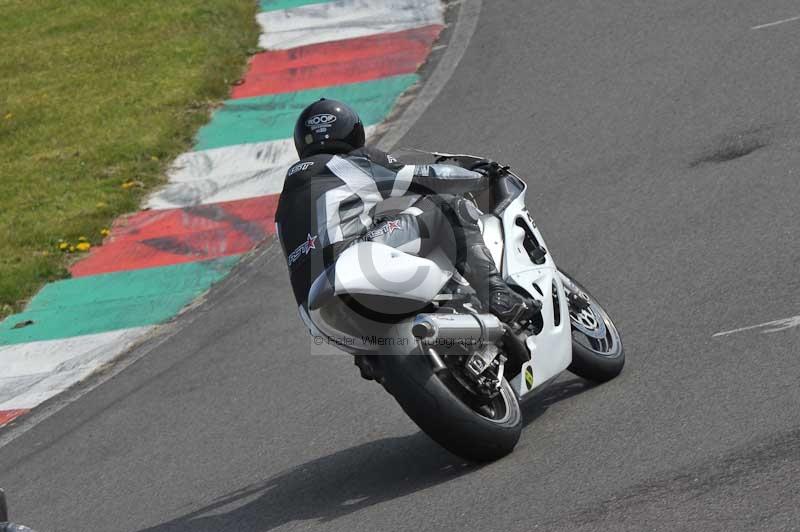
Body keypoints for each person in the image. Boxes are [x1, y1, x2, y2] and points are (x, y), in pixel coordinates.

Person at [276, 98, 539, 326]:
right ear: (353, 134)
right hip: (351, 257)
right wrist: (478, 177)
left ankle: (376, 361)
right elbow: (423, 177)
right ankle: (497, 293)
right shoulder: (347, 163)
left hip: (312, 306)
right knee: (446, 207)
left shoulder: (284, 204)